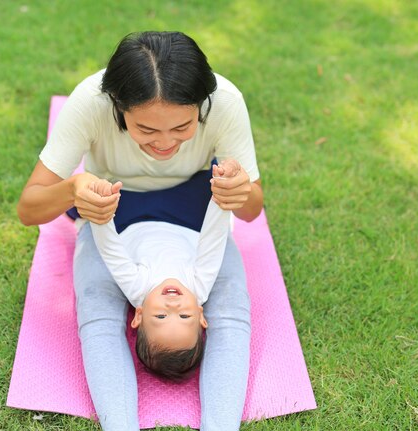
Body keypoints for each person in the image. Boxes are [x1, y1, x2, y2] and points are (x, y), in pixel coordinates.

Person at [17, 31, 263, 431]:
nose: (165, 143)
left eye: (182, 127)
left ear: (201, 107)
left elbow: (252, 210)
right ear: (117, 106)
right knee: (96, 310)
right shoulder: (90, 103)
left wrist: (240, 191)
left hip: (196, 208)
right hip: (113, 207)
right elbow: (29, 209)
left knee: (232, 311)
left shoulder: (225, 102)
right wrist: (72, 190)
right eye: (147, 130)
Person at [88, 159, 241, 381]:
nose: (172, 306)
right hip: (186, 219)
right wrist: (221, 195)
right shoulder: (199, 287)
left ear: (139, 315)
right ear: (201, 316)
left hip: (134, 217)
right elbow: (213, 241)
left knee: (107, 186)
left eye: (160, 315)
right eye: (184, 315)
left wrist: (101, 212)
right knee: (209, 175)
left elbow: (111, 251)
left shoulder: (138, 288)